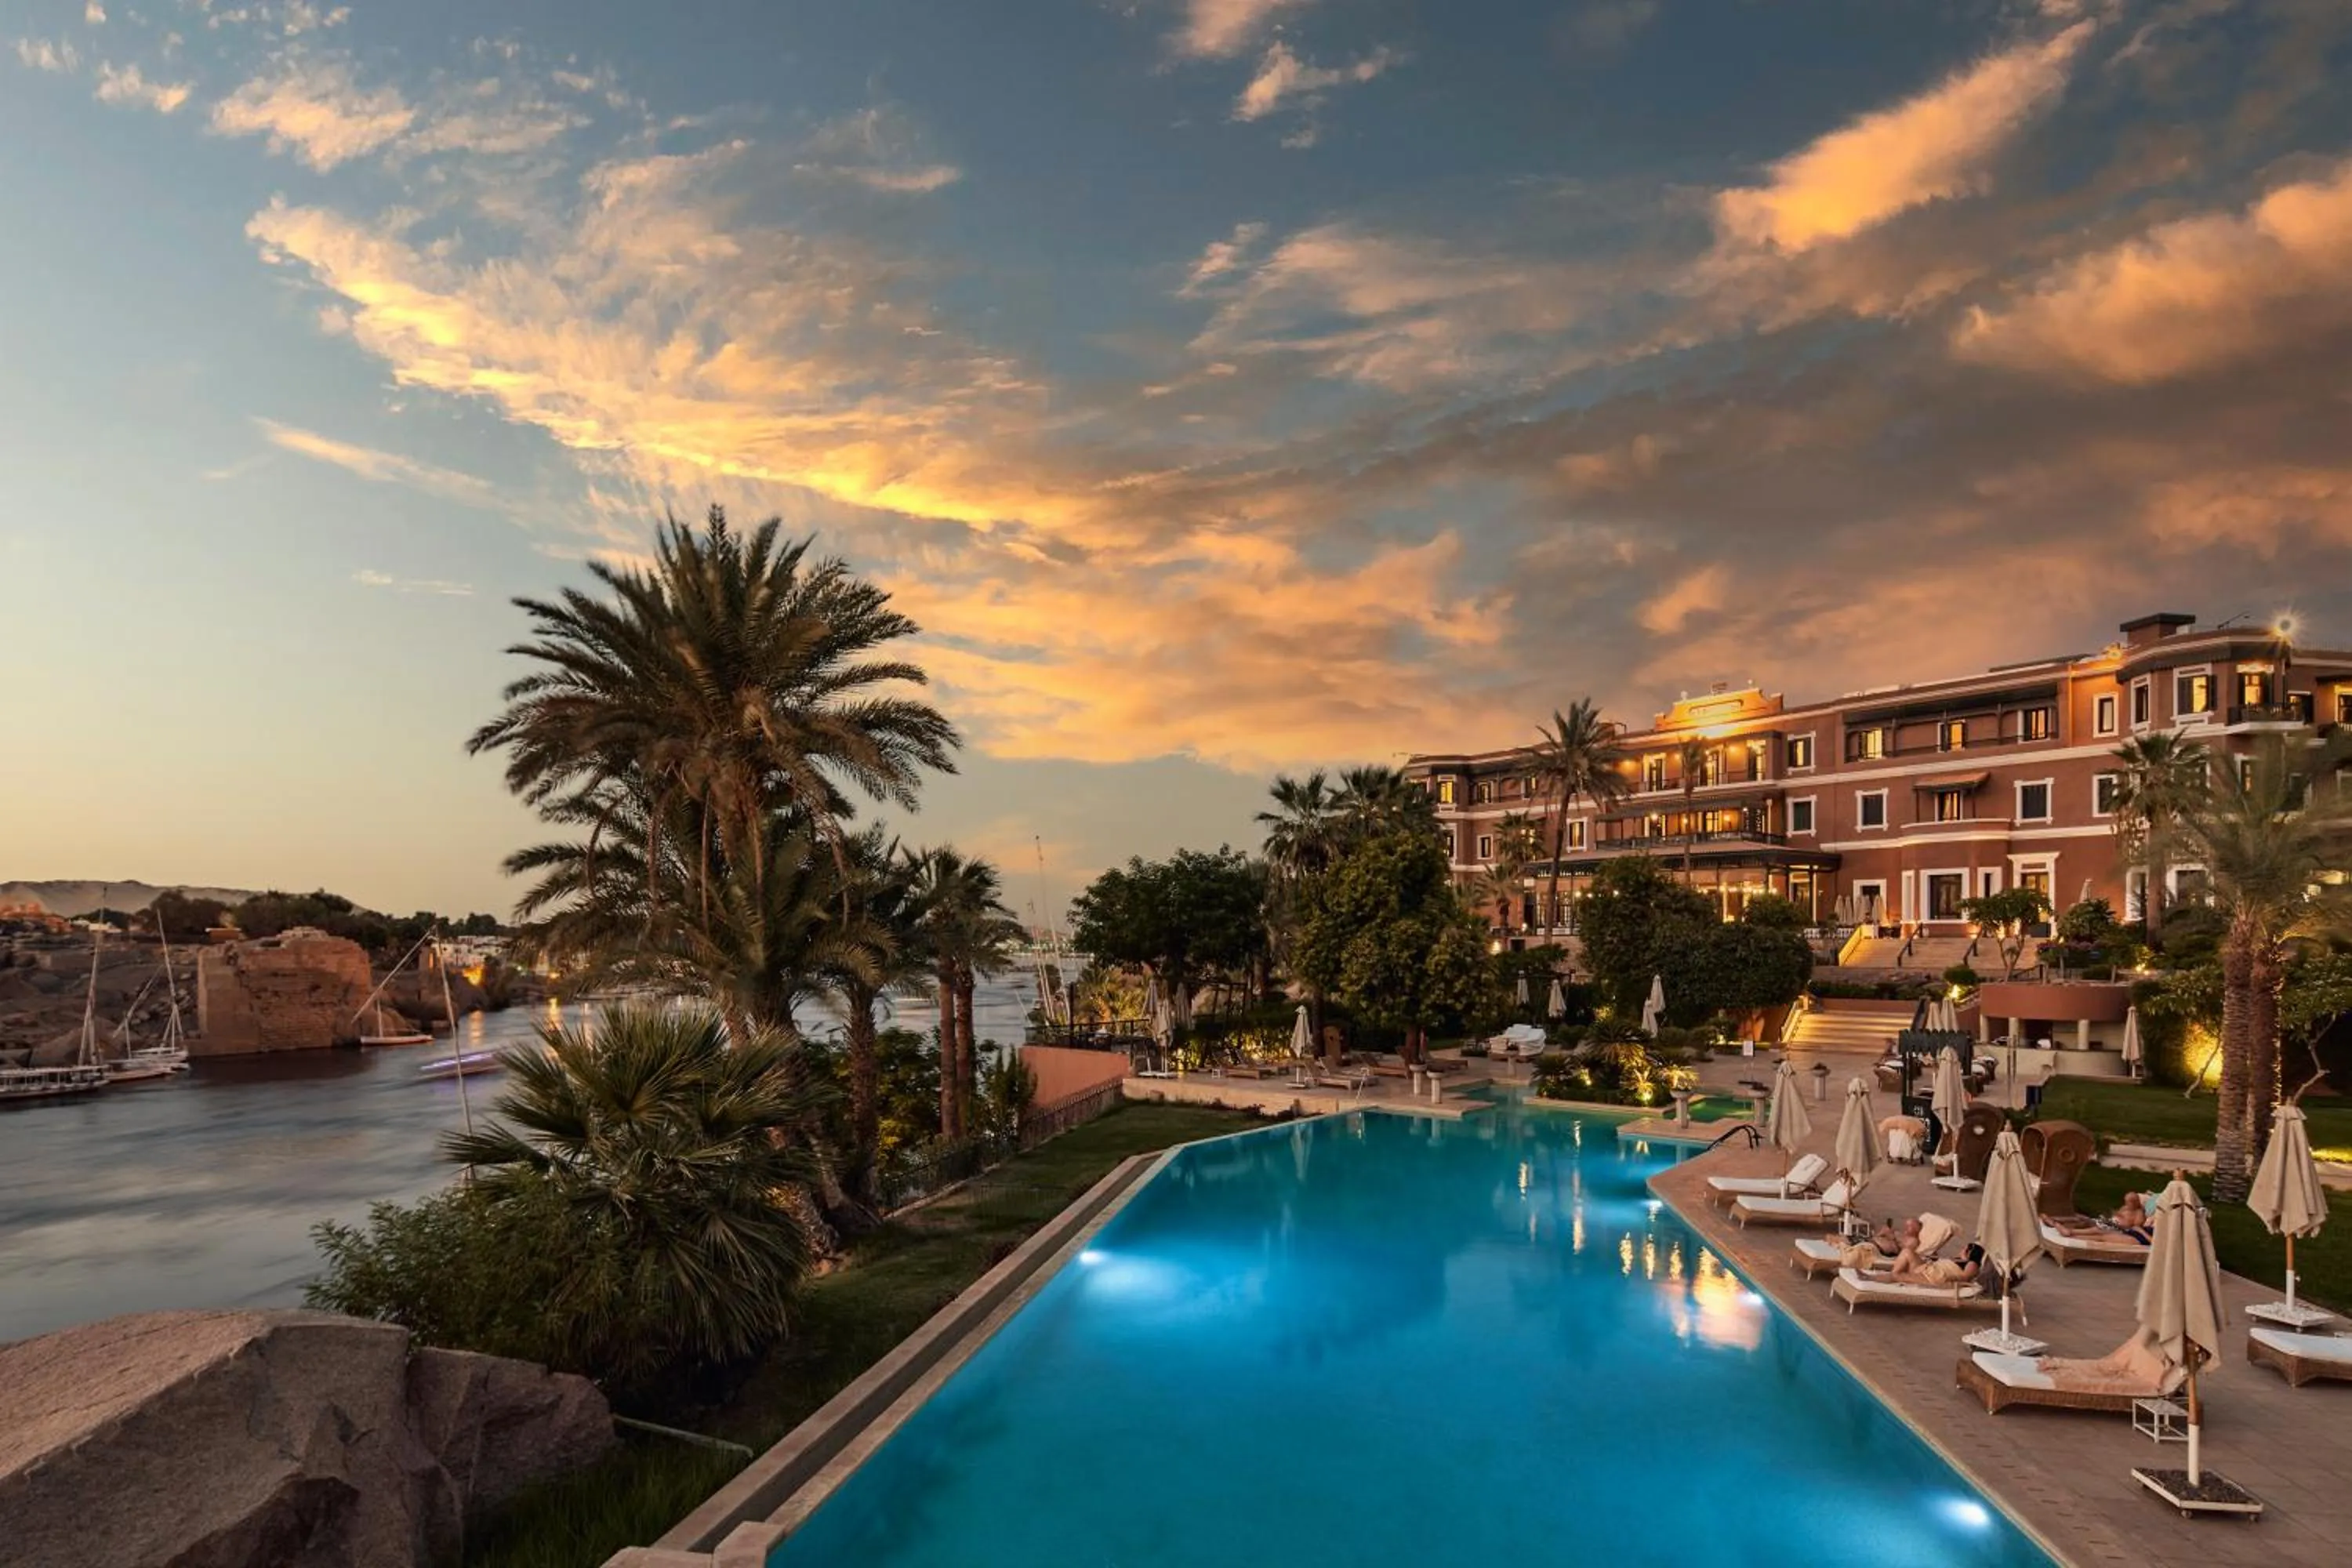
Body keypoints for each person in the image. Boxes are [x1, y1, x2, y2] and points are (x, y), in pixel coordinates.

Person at [1893, 1240, 1984, 1287]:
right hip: (1928, 1269)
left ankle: (1891, 1278)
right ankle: (1893, 1275)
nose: (1962, 1249)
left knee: (1898, 1275)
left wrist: (1947, 1279)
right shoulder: (1960, 1259)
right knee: (1907, 1251)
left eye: (1965, 1248)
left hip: (1934, 1277)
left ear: (1970, 1252)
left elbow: (1965, 1277)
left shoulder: (1972, 1263)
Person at [1840, 1217, 1918, 1271]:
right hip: (1873, 1242)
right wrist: (1884, 1234)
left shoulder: (1913, 1240)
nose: (1906, 1227)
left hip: (1879, 1249)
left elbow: (1903, 1252)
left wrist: (1892, 1237)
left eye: (1910, 1226)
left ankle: (1843, 1254)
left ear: (1917, 1229)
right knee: (1845, 1240)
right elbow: (1879, 1236)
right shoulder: (1902, 1234)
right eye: (1907, 1225)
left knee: (1848, 1247)